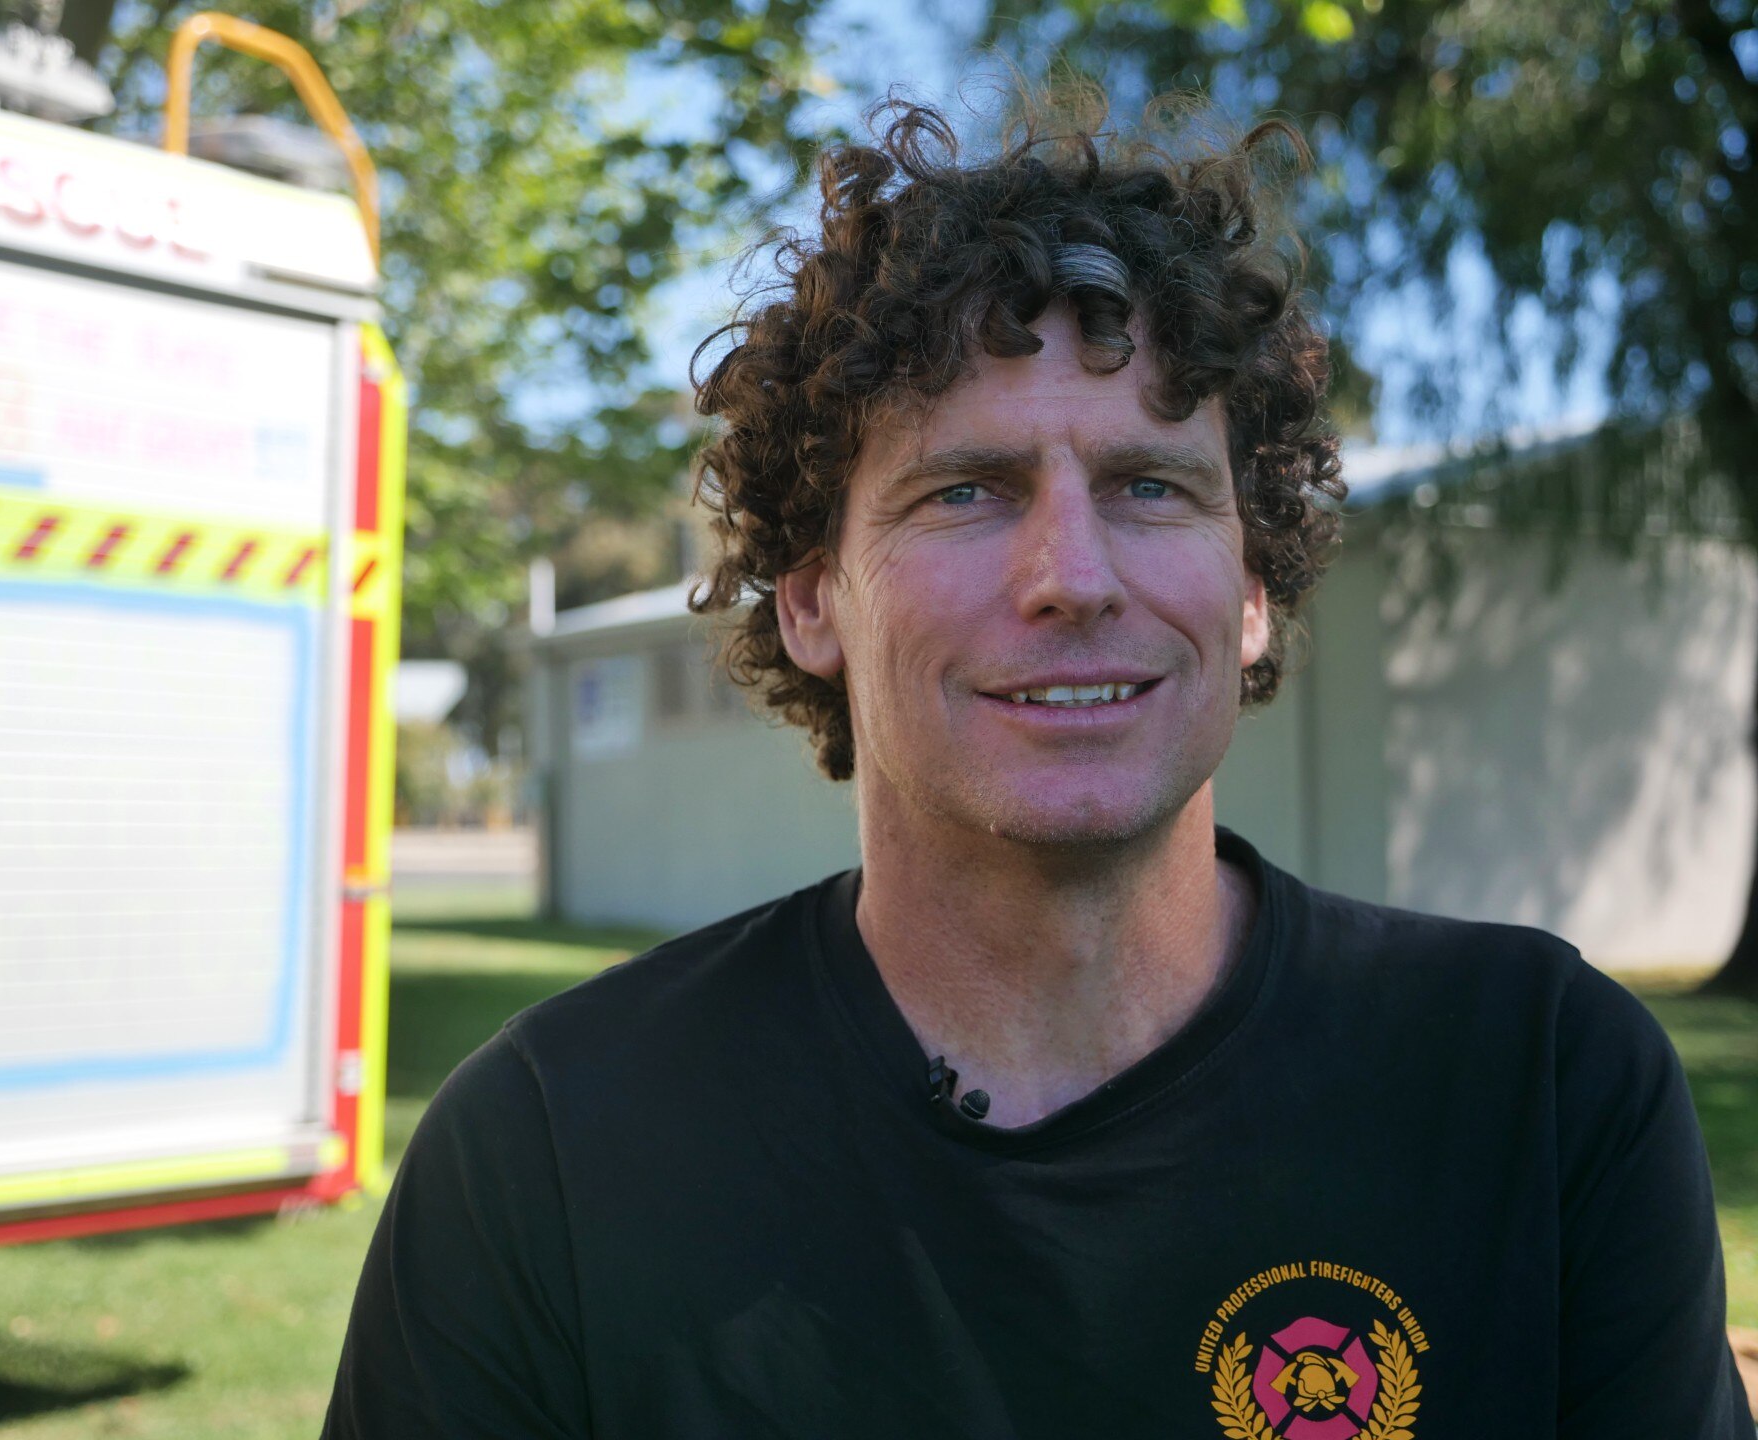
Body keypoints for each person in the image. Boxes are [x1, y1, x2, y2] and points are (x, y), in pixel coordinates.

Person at [322, 90, 1748, 1439]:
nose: (1072, 574)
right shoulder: (553, 1156)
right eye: (967, 491)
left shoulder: (1544, 1093)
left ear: (1253, 588)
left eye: (1149, 485)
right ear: (813, 598)